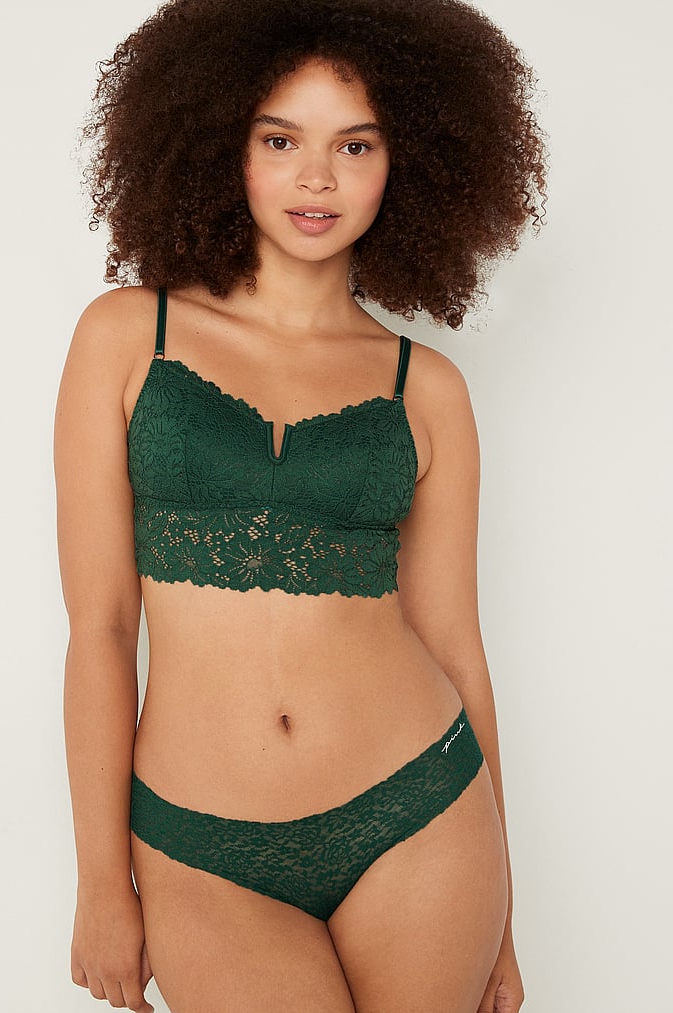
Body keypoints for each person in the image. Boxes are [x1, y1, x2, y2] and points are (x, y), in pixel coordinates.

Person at [54, 0, 546, 1010]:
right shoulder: (126, 336)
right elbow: (100, 628)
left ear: (405, 163)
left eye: (354, 145)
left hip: (420, 816)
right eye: (280, 140)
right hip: (202, 845)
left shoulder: (426, 387)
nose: (317, 177)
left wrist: (506, 919)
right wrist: (102, 882)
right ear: (220, 143)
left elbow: (455, 643)